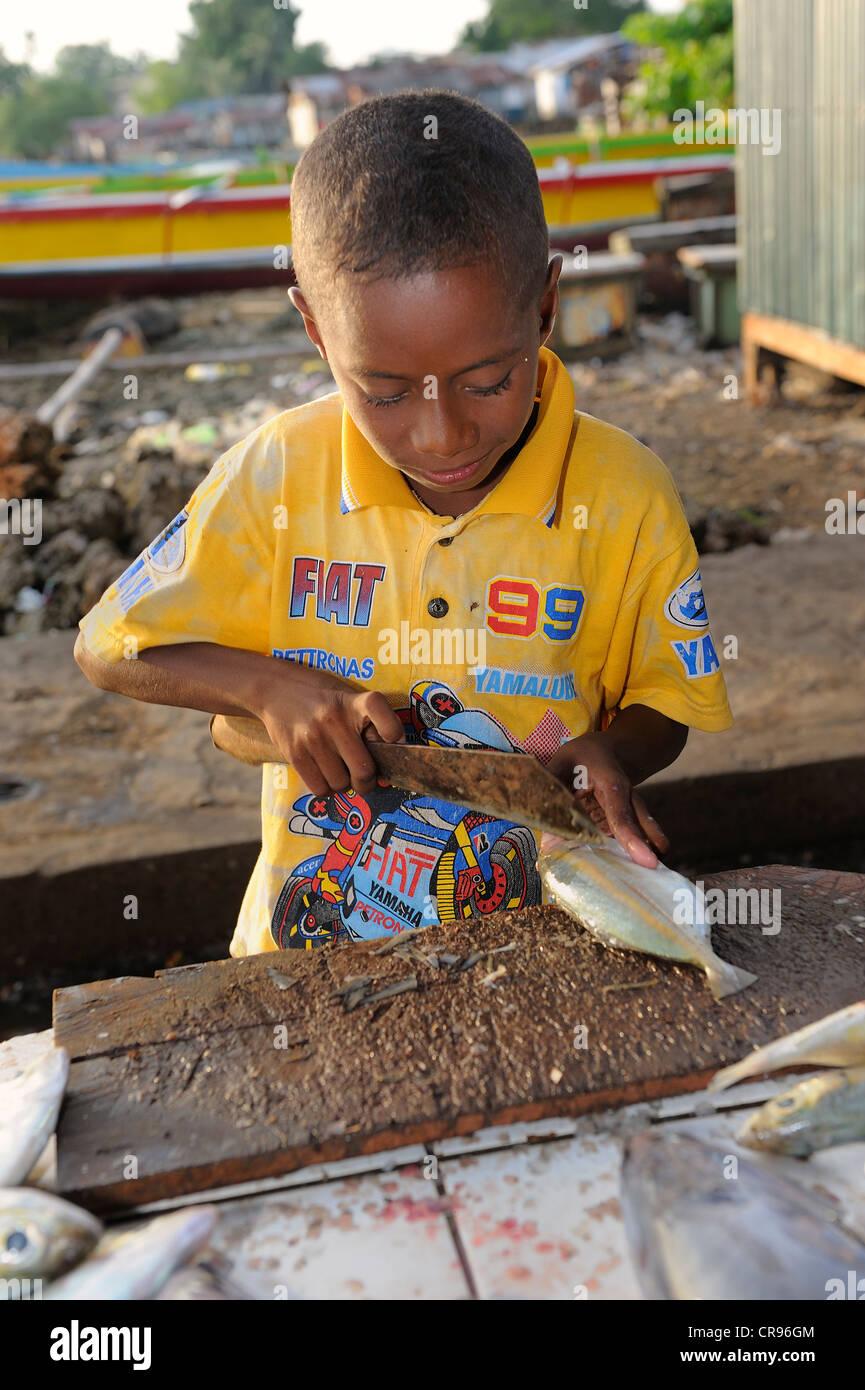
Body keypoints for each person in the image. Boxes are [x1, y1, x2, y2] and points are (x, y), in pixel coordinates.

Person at [74, 91, 732, 957]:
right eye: (383, 393)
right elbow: (110, 646)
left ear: (543, 307)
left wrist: (610, 754)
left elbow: (667, 701)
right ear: (314, 328)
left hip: (544, 942)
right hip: (305, 960)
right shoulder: (275, 472)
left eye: (489, 381)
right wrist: (271, 691)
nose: (442, 435)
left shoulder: (622, 494)